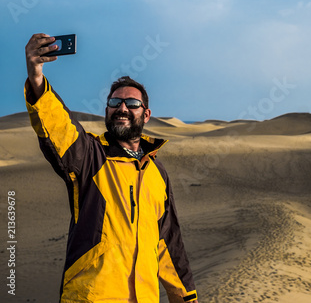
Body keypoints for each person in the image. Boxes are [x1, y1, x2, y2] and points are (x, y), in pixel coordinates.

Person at [24, 33, 198, 303]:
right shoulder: (90, 156)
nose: (123, 108)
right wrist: (37, 80)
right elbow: (59, 129)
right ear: (106, 111)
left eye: (132, 103)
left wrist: (185, 297)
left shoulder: (157, 172)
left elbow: (168, 243)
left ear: (146, 114)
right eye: (115, 103)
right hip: (93, 295)